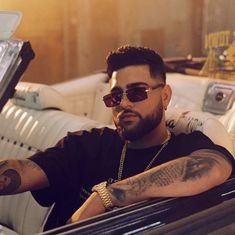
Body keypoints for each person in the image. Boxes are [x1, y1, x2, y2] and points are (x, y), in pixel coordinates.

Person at [0, 45, 234, 231]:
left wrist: (105, 196)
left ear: (164, 96)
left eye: (136, 92)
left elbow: (215, 166)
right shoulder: (88, 144)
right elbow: (22, 171)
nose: (123, 103)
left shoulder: (185, 147)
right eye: (114, 96)